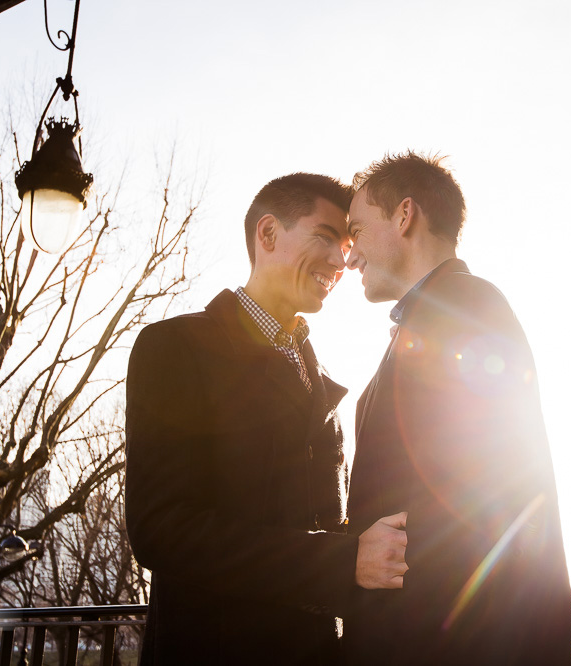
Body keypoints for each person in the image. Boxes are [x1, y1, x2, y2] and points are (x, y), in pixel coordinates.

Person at [125, 173, 407, 665]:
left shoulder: (319, 376)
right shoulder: (174, 347)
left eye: (347, 245)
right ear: (268, 234)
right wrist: (342, 562)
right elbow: (161, 530)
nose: (341, 261)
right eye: (325, 237)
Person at [344, 153, 571, 664]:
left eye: (356, 230)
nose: (350, 255)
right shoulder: (438, 314)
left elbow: (489, 499)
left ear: (404, 216)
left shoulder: (464, 309)